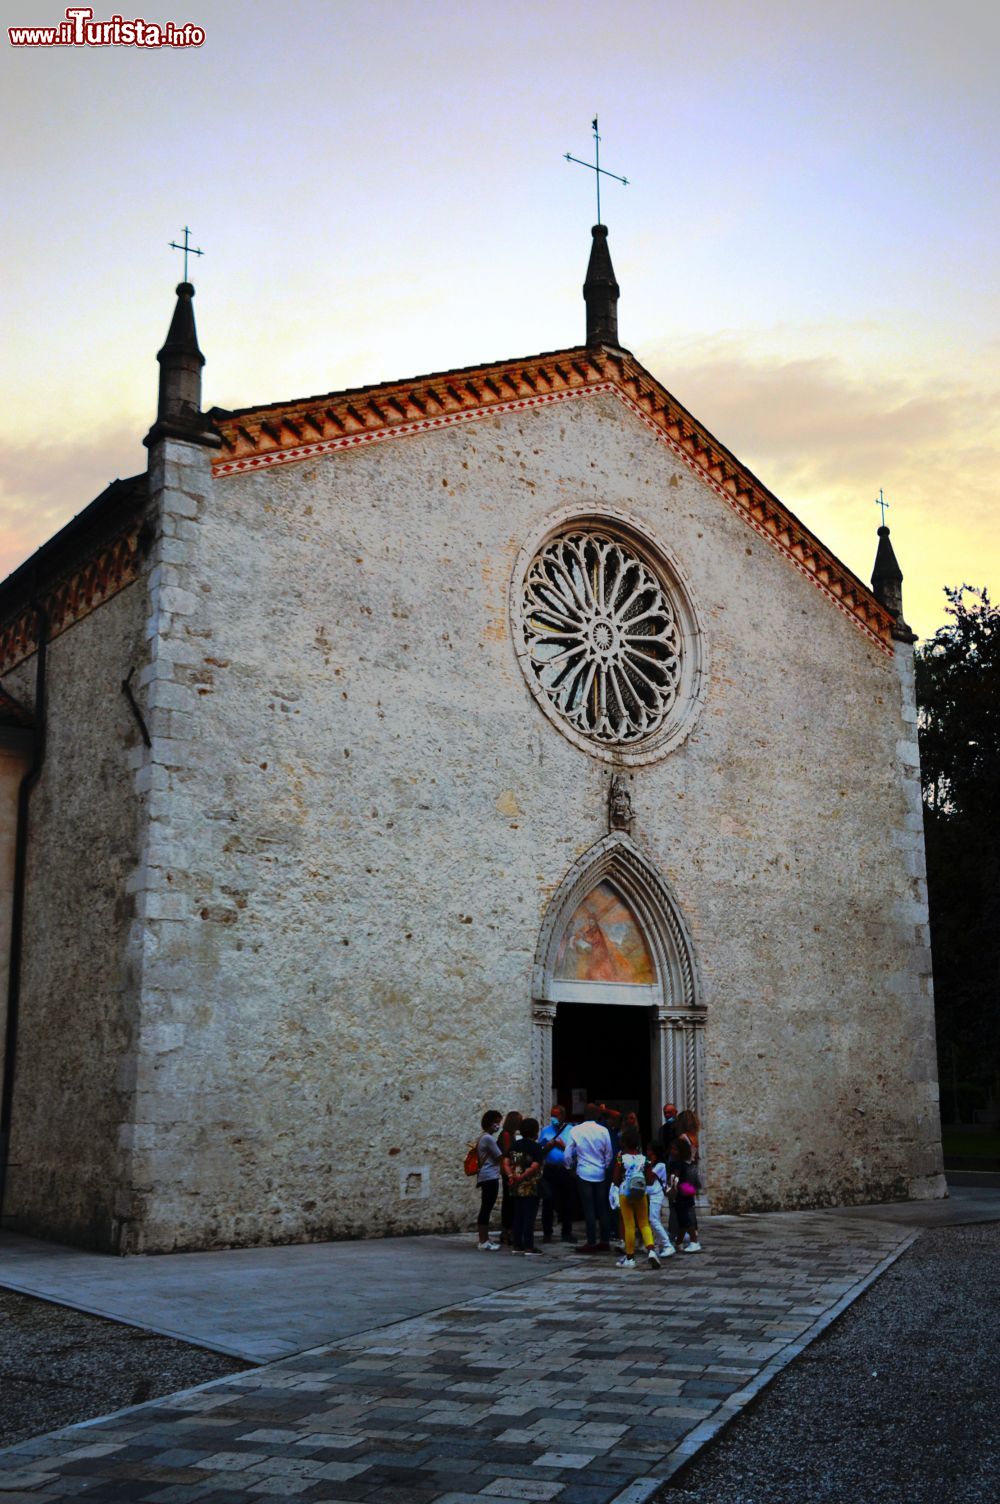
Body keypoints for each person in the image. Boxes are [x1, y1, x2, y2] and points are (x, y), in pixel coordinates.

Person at [565, 1102, 613, 1252]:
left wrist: (569, 1167)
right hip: (599, 1173)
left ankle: (591, 1242)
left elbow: (567, 1153)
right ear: (598, 1114)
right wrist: (605, 1166)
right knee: (602, 1207)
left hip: (584, 1172)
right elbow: (609, 1153)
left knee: (589, 1208)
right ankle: (605, 1240)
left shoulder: (576, 1130)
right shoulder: (603, 1130)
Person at [611, 1126, 660, 1269]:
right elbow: (650, 1180)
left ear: (624, 1143)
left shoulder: (620, 1158)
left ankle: (630, 1257)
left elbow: (615, 1178)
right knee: (644, 1224)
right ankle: (651, 1251)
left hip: (625, 1193)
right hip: (641, 1194)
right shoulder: (644, 1160)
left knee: (629, 1225)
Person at [504, 1115, 544, 1255]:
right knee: (529, 1217)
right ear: (535, 1131)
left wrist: (511, 1175)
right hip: (530, 1186)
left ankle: (517, 1245)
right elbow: (534, 1166)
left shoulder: (516, 1145)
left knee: (518, 1216)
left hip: (515, 1186)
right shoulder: (535, 1147)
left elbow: (507, 1163)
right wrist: (522, 1177)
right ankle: (529, 1246)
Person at [538, 1106, 575, 1243]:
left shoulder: (571, 1131)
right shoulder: (546, 1131)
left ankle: (567, 1232)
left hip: (565, 1169)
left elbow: (576, 1151)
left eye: (556, 1115)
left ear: (563, 1116)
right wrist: (547, 1147)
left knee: (567, 1202)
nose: (553, 1118)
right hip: (550, 1169)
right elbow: (540, 1150)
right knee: (548, 1201)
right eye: (552, 1115)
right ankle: (547, 1233)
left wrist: (563, 1146)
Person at [668, 1136, 702, 1253]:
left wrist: (671, 1190)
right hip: (686, 1194)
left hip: (680, 1195)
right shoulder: (685, 1164)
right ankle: (678, 1243)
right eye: (671, 1149)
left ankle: (694, 1241)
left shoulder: (676, 1164)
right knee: (682, 1221)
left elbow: (674, 1178)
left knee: (686, 1220)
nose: (672, 1151)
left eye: (675, 1149)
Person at [475, 1109, 504, 1250]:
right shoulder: (488, 1138)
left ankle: (485, 1239)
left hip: (486, 1175)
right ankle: (483, 1241)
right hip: (489, 1176)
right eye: (497, 1122)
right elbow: (499, 1156)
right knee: (486, 1208)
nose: (498, 1125)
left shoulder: (483, 1137)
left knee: (486, 1207)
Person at [646, 1140, 674, 1259]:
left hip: (657, 1194)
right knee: (653, 1220)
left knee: (654, 1220)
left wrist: (648, 1165)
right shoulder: (651, 1163)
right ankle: (657, 1245)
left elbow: (650, 1179)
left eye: (649, 1149)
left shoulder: (660, 1165)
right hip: (650, 1194)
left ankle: (668, 1245)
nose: (647, 1152)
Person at [497, 1110, 522, 1246]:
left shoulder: (508, 1135)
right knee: (510, 1202)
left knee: (509, 1201)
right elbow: (509, 1153)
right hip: (509, 1172)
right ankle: (508, 1230)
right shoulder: (507, 1135)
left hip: (508, 1171)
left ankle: (506, 1230)